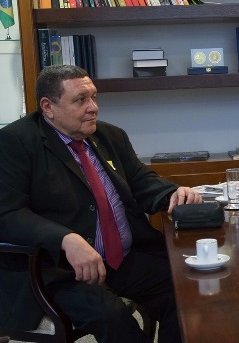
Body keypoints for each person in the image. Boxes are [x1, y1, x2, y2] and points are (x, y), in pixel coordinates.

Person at [0, 65, 202, 342]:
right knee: (114, 318)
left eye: (94, 97)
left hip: (122, 258)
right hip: (61, 270)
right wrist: (65, 239)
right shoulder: (15, 142)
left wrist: (173, 193)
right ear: (48, 107)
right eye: (80, 100)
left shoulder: (110, 136)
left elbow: (140, 180)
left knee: (186, 289)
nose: (93, 107)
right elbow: (8, 214)